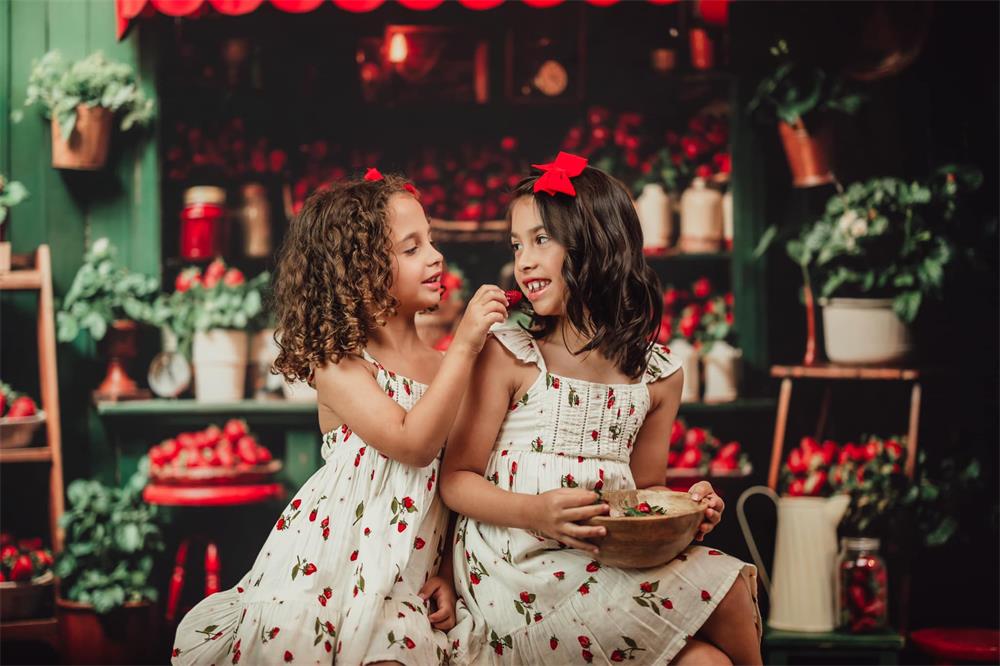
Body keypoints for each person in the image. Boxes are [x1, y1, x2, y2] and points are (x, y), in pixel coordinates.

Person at [171, 170, 508, 665]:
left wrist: (446, 571)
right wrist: (464, 345)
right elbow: (411, 443)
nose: (435, 256)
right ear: (360, 270)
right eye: (411, 248)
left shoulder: (444, 370)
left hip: (407, 575)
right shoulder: (339, 363)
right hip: (330, 571)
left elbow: (450, 479)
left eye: (430, 240)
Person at [441, 153, 762, 665]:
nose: (523, 260)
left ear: (597, 244)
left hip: (608, 560)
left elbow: (644, 488)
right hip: (518, 573)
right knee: (723, 590)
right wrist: (535, 512)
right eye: (517, 244)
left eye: (541, 240)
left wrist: (686, 511)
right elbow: (456, 478)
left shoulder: (658, 375)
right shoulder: (509, 355)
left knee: (714, 652)